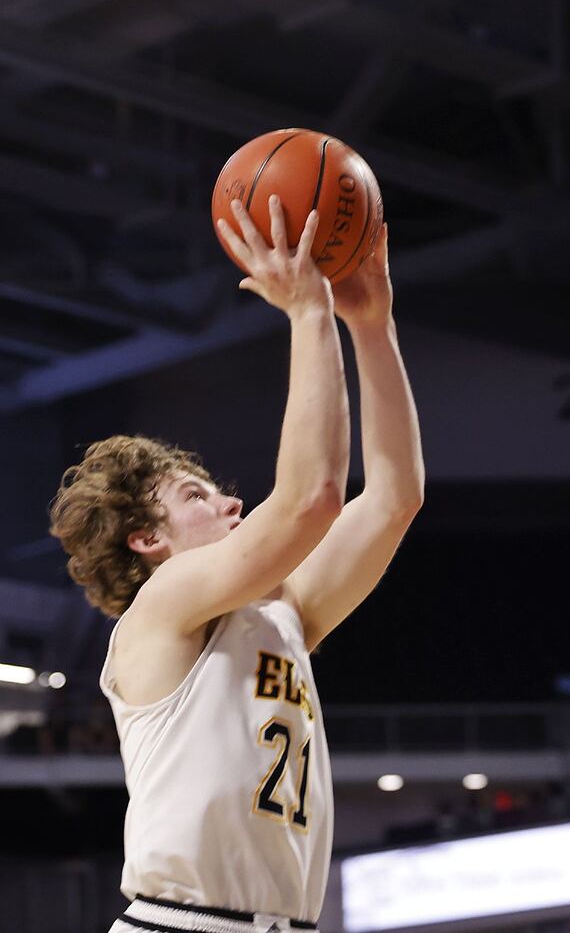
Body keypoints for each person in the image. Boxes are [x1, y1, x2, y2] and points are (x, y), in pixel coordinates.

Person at [49, 196, 424, 933]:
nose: (230, 502)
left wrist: (371, 326)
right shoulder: (162, 606)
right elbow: (312, 498)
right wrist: (308, 313)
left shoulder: (283, 614)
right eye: (197, 495)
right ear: (145, 542)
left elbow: (393, 498)